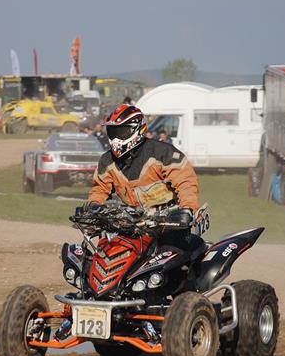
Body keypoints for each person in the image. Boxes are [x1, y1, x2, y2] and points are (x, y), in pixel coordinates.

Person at [83, 104, 201, 251]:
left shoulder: (163, 153)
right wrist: (93, 206)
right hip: (130, 225)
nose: (115, 138)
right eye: (112, 132)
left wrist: (187, 209)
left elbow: (186, 183)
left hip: (168, 224)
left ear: (137, 130)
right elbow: (100, 188)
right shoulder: (107, 161)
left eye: (121, 131)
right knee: (101, 254)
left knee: (172, 259)